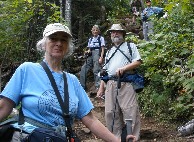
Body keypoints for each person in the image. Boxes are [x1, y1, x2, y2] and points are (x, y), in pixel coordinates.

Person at [0, 23, 136, 142]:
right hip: (30, 137)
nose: (59, 43)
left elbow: (91, 120)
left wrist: (117, 140)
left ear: (68, 47)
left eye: (63, 40)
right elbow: (4, 107)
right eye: (53, 38)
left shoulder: (72, 81)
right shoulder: (27, 70)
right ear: (44, 44)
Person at [97, 23, 142, 141]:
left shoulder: (130, 46)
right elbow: (105, 71)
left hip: (126, 83)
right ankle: (114, 138)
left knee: (130, 111)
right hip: (110, 84)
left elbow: (137, 62)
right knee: (110, 112)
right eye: (112, 32)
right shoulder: (109, 51)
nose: (114, 34)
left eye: (117, 31)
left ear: (123, 34)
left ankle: (131, 138)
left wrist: (124, 68)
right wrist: (101, 87)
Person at [79, 25, 105, 92]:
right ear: (92, 31)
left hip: (97, 53)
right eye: (94, 30)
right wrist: (87, 51)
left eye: (96, 30)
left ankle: (98, 86)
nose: (95, 31)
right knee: (83, 68)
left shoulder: (101, 38)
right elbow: (89, 49)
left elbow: (102, 48)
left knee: (96, 69)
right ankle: (82, 86)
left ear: (99, 31)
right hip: (91, 54)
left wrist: (101, 58)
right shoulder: (90, 39)